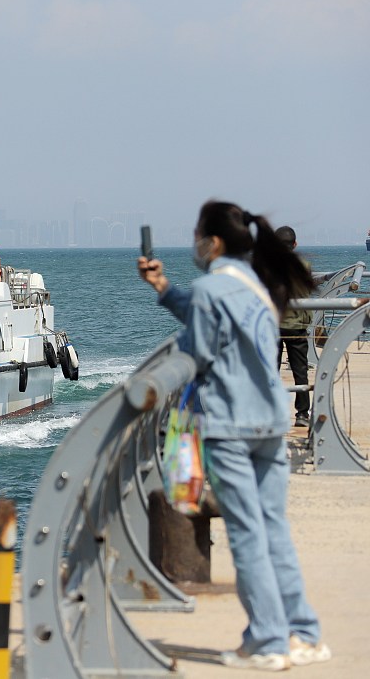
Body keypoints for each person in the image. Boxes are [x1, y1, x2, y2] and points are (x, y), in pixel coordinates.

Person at [138, 201, 329, 671]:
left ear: (213, 242)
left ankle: (267, 640)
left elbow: (198, 348)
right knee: (273, 530)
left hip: (229, 426)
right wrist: (164, 288)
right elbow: (208, 314)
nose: (194, 243)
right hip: (270, 421)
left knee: (245, 535)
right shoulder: (257, 286)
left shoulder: (210, 289)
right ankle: (303, 634)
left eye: (197, 234)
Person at [274, 225, 311, 427]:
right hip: (297, 326)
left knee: (270, 372)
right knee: (300, 372)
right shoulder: (303, 265)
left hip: (272, 327)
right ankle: (302, 414)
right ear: (295, 244)